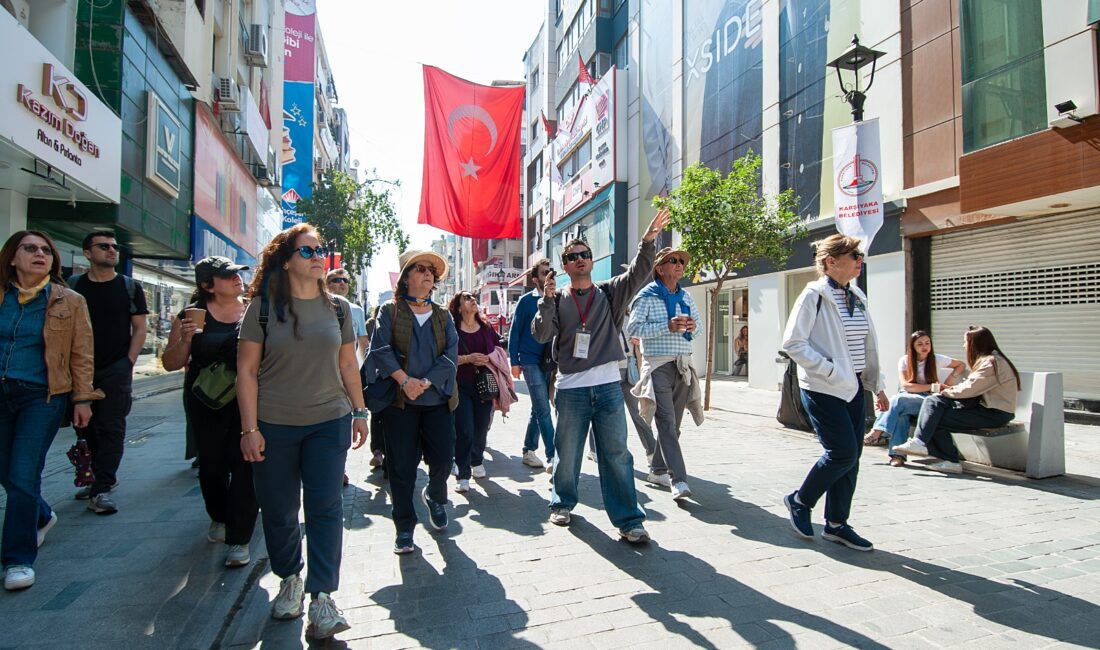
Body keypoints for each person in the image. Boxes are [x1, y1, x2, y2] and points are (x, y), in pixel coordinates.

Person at [237, 224, 368, 640]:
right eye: (308, 251)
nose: (317, 257)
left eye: (320, 250)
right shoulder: (261, 307)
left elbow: (349, 365)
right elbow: (247, 371)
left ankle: (322, 596)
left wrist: (360, 411)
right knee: (278, 510)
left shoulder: (340, 309)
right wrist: (249, 428)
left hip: (329, 422)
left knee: (325, 506)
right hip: (273, 425)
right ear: (287, 259)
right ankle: (290, 578)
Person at [532, 208, 671, 543]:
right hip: (571, 389)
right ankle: (562, 502)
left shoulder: (610, 292)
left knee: (617, 455)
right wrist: (546, 300)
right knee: (567, 454)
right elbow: (540, 335)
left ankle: (628, 520)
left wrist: (648, 240)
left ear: (591, 261)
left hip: (608, 386)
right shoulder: (557, 299)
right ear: (564, 266)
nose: (580, 259)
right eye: (572, 256)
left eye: (585, 255)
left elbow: (639, 272)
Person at [0, 231, 101, 591]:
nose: (39, 254)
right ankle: (41, 515)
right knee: (8, 475)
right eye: (30, 249)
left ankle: (17, 559)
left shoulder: (69, 301)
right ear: (13, 257)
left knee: (24, 474)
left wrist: (83, 399)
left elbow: (81, 352)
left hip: (40, 397)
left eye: (46, 250)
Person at [781, 234, 888, 552]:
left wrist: (877, 385)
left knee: (852, 457)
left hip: (854, 386)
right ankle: (800, 500)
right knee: (841, 453)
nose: (860, 261)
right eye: (854, 255)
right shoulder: (813, 295)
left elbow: (866, 344)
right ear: (831, 261)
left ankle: (837, 524)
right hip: (823, 387)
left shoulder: (856, 295)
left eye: (861, 256)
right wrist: (829, 371)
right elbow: (793, 343)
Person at [161, 256, 258, 568]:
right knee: (212, 466)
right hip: (205, 401)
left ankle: (240, 538)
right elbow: (171, 362)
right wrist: (187, 339)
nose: (236, 280)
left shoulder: (255, 309)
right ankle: (219, 516)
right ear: (207, 285)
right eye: (226, 276)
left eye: (237, 274)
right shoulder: (192, 314)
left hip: (248, 400)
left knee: (246, 464)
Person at [362, 250, 458, 555]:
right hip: (399, 402)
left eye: (431, 270)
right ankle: (404, 526)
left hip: (437, 400)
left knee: (443, 458)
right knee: (401, 467)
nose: (428, 274)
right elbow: (380, 350)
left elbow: (450, 356)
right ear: (406, 278)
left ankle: (436, 496)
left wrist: (426, 382)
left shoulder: (443, 315)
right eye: (420, 268)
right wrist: (405, 380)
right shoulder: (389, 311)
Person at [69, 229, 148, 515]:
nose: (111, 250)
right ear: (88, 253)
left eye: (114, 247)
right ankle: (98, 477)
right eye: (103, 246)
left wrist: (128, 362)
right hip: (81, 369)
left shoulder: (130, 287)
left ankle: (101, 488)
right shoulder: (74, 286)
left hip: (116, 368)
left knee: (112, 427)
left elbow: (140, 328)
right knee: (85, 427)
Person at [628, 247, 704, 501]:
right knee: (667, 424)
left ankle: (657, 468)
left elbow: (699, 328)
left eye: (682, 261)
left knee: (675, 426)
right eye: (674, 261)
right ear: (660, 269)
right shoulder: (646, 297)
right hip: (658, 366)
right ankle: (679, 480)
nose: (680, 264)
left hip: (683, 366)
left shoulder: (686, 297)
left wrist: (692, 326)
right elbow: (634, 328)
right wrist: (666, 326)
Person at [892, 326, 1020, 474]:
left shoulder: (991, 363)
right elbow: (971, 387)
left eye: (966, 342)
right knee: (933, 406)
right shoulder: (989, 360)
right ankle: (925, 446)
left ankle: (939, 454)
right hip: (983, 409)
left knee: (934, 414)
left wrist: (945, 391)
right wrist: (944, 393)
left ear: (975, 343)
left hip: (994, 414)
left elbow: (970, 389)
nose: (964, 345)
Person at [863, 331, 965, 467]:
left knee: (897, 400)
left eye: (927, 343)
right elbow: (907, 386)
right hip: (907, 398)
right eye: (920, 344)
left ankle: (877, 432)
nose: (924, 346)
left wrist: (951, 379)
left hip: (928, 402)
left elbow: (960, 364)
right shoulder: (905, 360)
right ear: (912, 346)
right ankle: (898, 456)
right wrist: (934, 386)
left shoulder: (937, 359)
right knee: (901, 413)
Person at [449, 292, 505, 492]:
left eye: (473, 297)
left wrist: (490, 358)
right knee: (464, 428)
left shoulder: (486, 328)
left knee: (482, 426)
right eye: (466, 298)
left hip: (484, 385)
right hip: (460, 385)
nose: (472, 299)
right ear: (457, 307)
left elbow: (499, 351)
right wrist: (468, 358)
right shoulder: (452, 330)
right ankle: (462, 474)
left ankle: (476, 460)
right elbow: (444, 358)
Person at [508, 259, 555, 471]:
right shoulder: (526, 301)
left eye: (551, 272)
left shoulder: (558, 298)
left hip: (550, 361)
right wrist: (514, 362)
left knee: (538, 407)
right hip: (529, 361)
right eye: (545, 273)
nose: (549, 276)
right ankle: (554, 456)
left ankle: (528, 449)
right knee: (544, 409)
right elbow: (514, 332)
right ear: (536, 279)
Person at [326, 268, 368, 486]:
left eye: (345, 281)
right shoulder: (319, 306)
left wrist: (366, 370)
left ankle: (338, 467)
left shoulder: (355, 310)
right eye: (336, 280)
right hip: (323, 373)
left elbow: (362, 341)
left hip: (347, 372)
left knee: (343, 418)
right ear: (326, 283)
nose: (341, 283)